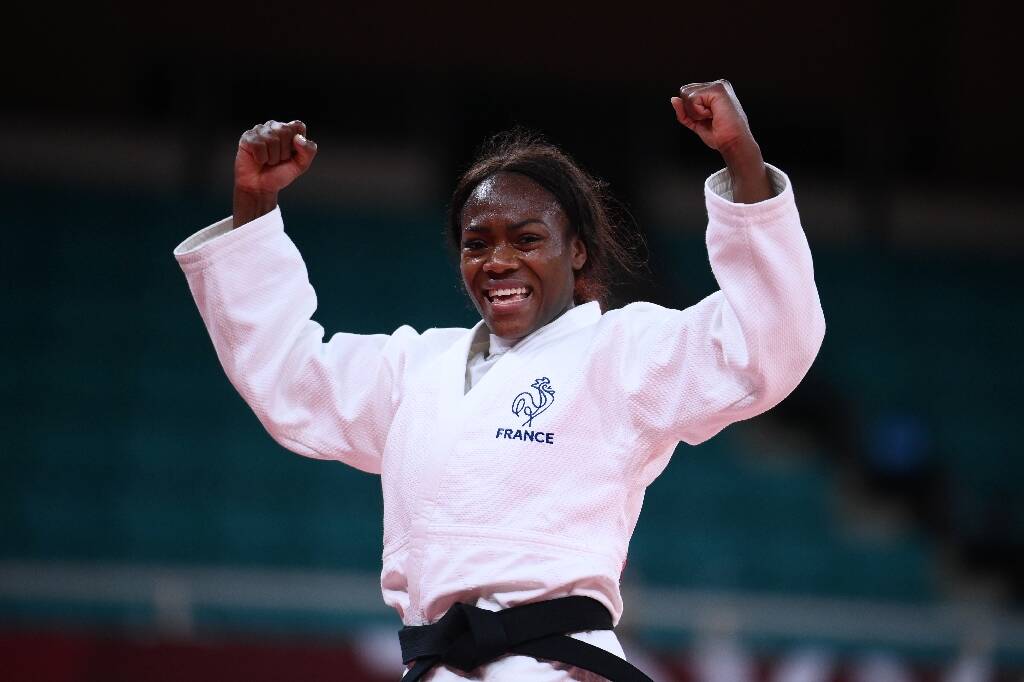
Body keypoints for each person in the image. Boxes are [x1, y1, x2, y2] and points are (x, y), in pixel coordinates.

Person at [172, 80, 826, 680]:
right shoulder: (415, 367)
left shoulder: (621, 352)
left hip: (557, 666)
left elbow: (764, 344)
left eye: (526, 238)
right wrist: (256, 204)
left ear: (576, 251)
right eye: (476, 242)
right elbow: (291, 382)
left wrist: (741, 159)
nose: (498, 260)